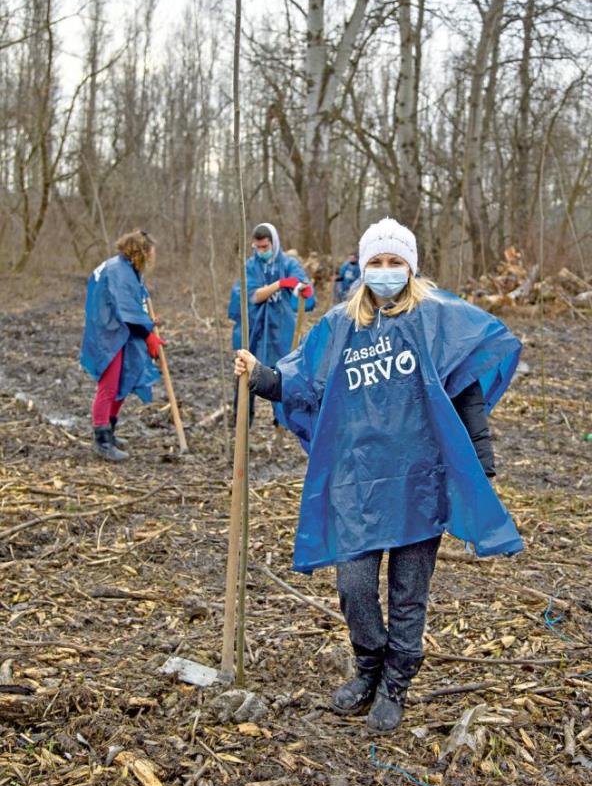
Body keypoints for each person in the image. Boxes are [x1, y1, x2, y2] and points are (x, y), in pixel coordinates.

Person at [234, 216, 523, 733]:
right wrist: (262, 377)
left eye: (395, 262)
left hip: (419, 476)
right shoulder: (341, 325)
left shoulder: (437, 319)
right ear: (363, 266)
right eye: (377, 262)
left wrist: (480, 458)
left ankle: (396, 682)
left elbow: (466, 392)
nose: (386, 271)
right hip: (358, 478)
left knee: (409, 589)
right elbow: (306, 383)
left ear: (410, 266)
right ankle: (368, 664)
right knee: (355, 584)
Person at [80, 229, 165, 461]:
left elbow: (134, 305)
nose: (152, 258)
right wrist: (147, 335)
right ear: (142, 252)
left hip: (119, 331)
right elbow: (126, 312)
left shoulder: (127, 269)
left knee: (123, 381)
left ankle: (110, 430)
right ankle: (102, 440)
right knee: (109, 385)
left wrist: (148, 322)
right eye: (151, 253)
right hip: (109, 334)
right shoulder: (119, 271)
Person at [227, 222, 315, 425]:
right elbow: (252, 296)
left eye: (265, 247)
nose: (261, 251)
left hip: (281, 330)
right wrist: (279, 284)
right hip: (254, 330)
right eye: (257, 247)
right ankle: (242, 421)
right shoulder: (250, 266)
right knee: (245, 374)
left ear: (273, 243)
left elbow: (302, 287)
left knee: (283, 375)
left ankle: (283, 421)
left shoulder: (288, 264)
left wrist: (303, 291)